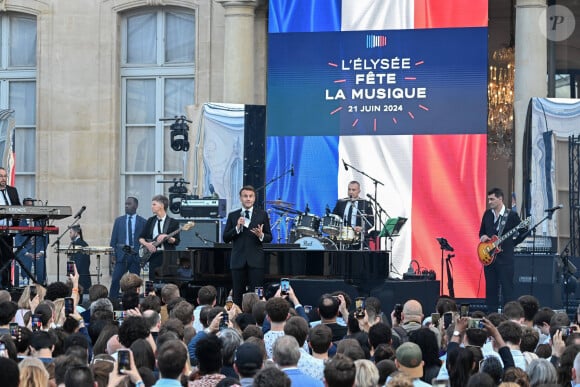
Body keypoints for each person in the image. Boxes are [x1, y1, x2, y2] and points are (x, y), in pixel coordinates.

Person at [479, 187, 527, 312]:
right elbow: (481, 232)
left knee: (507, 290)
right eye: (489, 199)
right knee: (491, 290)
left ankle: (509, 318)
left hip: (505, 260)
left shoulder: (511, 215)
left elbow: (524, 231)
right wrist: (483, 237)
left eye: (492, 199)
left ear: (500, 199)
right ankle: (491, 316)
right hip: (489, 259)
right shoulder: (487, 214)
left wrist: (512, 243)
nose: (489, 202)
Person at [223, 185, 272, 305]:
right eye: (245, 196)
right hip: (238, 261)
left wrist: (261, 235)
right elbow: (225, 238)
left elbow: (269, 237)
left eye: (251, 196)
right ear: (241, 198)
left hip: (256, 261)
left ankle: (256, 320)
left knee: (257, 294)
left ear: (254, 198)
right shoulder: (233, 215)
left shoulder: (262, 215)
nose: (248, 199)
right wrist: (237, 228)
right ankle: (237, 320)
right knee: (237, 294)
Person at [109, 196, 146, 300]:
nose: (126, 206)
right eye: (125, 204)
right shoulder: (119, 221)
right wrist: (112, 255)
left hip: (135, 255)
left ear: (136, 206)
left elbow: (146, 240)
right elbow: (113, 240)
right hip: (121, 255)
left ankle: (133, 301)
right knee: (116, 279)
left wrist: (143, 256)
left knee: (135, 282)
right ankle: (113, 300)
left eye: (129, 204)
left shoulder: (143, 222)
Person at [138, 194, 180, 282]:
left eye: (154, 204)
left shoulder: (173, 222)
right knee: (152, 282)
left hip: (167, 257)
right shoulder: (150, 220)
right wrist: (147, 245)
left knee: (167, 282)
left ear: (162, 206)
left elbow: (176, 241)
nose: (151, 207)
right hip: (153, 256)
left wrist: (167, 237)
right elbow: (141, 238)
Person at [15, 198, 48, 285]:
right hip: (25, 253)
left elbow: (46, 238)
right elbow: (18, 240)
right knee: (25, 277)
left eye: (31, 206)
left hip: (39, 253)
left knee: (41, 276)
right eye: (28, 206)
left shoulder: (40, 221)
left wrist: (41, 252)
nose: (30, 208)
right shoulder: (19, 222)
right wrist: (27, 253)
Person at [332, 180, 374, 249]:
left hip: (359, 238)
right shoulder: (341, 202)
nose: (351, 192)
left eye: (353, 190)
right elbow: (334, 217)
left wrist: (362, 228)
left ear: (359, 191)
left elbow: (371, 222)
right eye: (349, 189)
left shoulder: (365, 204)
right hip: (342, 237)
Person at [0, 167, 20, 288]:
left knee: (8, 258)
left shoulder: (12, 190)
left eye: (4, 176)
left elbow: (18, 207)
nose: (3, 179)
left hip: (9, 231)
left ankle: (7, 284)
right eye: (1, 176)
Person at [69, 225, 91, 294]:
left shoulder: (79, 244)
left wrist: (71, 273)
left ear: (76, 233)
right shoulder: (80, 243)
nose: (70, 235)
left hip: (80, 278)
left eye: (71, 232)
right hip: (81, 277)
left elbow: (77, 262)